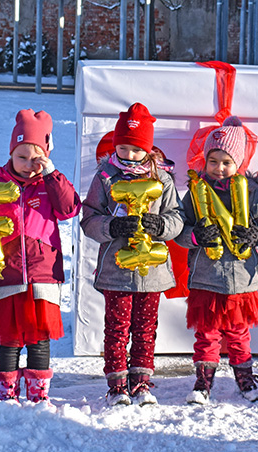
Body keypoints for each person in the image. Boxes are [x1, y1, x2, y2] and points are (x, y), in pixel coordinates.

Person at [0, 109, 81, 406]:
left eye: (37, 158)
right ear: (11, 153)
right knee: (9, 339)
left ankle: (38, 394)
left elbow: (70, 209)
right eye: (22, 157)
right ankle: (6, 394)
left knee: (38, 338)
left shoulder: (49, 183)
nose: (29, 165)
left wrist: (52, 173)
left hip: (43, 272)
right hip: (8, 272)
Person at [80, 102, 183, 406]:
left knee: (146, 327)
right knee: (116, 326)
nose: (129, 155)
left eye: (137, 150)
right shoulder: (106, 177)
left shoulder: (162, 179)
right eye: (123, 148)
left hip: (152, 271)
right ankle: (116, 383)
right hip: (116, 270)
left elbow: (176, 218)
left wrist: (161, 225)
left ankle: (141, 381)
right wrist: (112, 226)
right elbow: (89, 218)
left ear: (148, 150)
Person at [176, 116, 258, 405]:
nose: (219, 169)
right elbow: (179, 230)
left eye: (226, 162)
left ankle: (244, 377)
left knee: (238, 333)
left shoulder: (252, 193)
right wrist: (195, 236)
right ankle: (203, 381)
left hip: (240, 279)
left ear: (239, 164)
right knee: (207, 334)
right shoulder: (195, 195)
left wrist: (256, 235)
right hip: (206, 277)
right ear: (204, 161)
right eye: (213, 161)